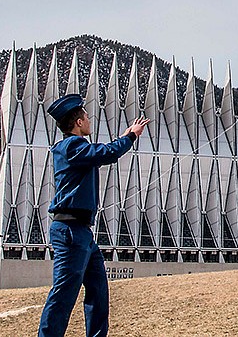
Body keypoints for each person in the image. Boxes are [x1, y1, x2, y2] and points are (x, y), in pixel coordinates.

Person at [39, 93, 150, 337]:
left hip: (82, 233)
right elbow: (106, 154)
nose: (90, 121)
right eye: (87, 117)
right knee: (64, 293)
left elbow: (101, 153)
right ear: (78, 122)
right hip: (70, 232)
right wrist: (131, 135)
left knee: (98, 289)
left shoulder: (74, 148)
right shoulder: (72, 146)